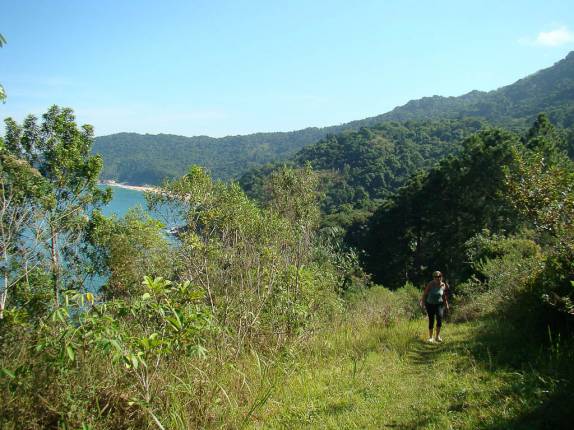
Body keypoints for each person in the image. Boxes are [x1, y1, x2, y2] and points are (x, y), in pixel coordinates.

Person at [420, 270, 449, 343]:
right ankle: (430, 337)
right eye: (436, 276)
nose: (437, 278)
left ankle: (437, 336)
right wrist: (422, 304)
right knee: (431, 320)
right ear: (433, 277)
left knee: (439, 318)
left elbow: (444, 296)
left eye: (439, 276)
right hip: (430, 304)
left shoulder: (443, 285)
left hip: (439, 304)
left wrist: (446, 305)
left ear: (441, 277)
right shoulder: (430, 284)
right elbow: (425, 294)